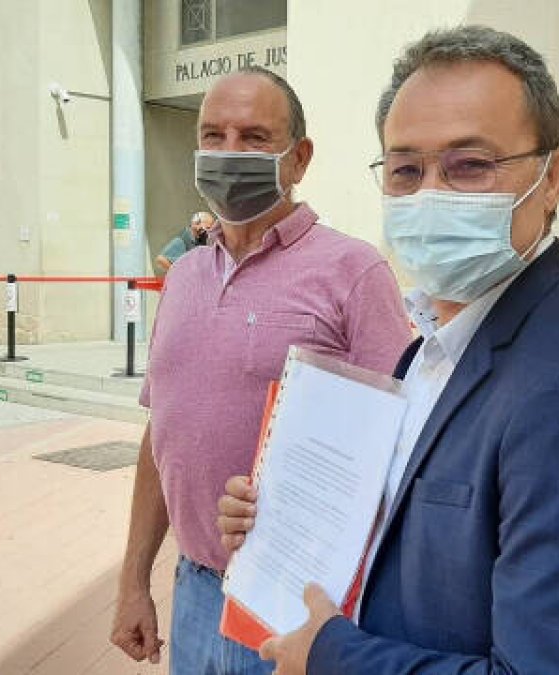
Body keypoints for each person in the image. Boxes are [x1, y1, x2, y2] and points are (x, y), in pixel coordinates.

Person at [217, 26, 559, 674]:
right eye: (406, 169)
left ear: (550, 178)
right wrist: (280, 521)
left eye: (470, 165)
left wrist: (331, 654)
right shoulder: (434, 348)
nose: (430, 193)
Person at [110, 66, 413, 674]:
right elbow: (161, 435)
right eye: (213, 135)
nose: (228, 153)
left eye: (253, 137)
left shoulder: (353, 273)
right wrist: (133, 580)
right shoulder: (185, 277)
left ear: (298, 159)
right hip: (194, 590)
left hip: (296, 605)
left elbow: (400, 452)